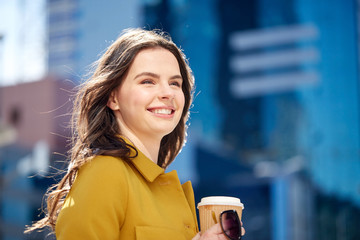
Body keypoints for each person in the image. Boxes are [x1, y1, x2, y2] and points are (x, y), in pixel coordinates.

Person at [25, 28, 245, 239]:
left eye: (175, 83)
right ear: (113, 98)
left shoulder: (157, 188)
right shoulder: (104, 172)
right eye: (147, 81)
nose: (167, 93)